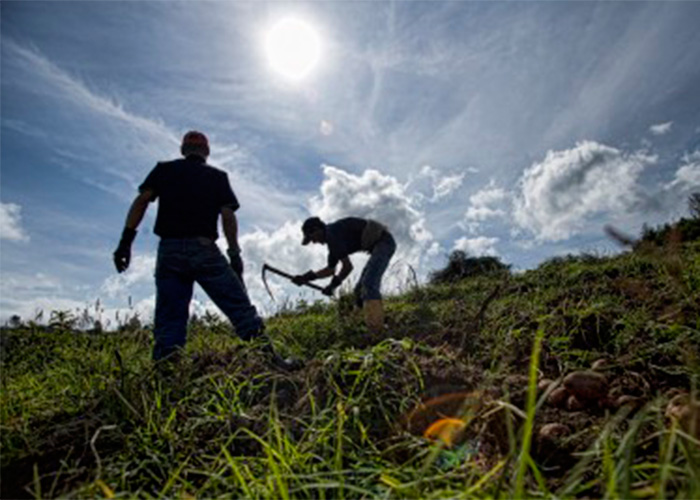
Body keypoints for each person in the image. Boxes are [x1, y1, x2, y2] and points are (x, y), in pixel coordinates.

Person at [113, 130, 296, 368]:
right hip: (204, 250)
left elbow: (141, 201)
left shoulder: (164, 170)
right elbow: (227, 215)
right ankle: (272, 363)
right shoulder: (217, 177)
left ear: (183, 150)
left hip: (169, 251)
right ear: (206, 152)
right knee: (239, 307)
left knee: (169, 319)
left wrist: (125, 242)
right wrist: (234, 254)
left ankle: (166, 375)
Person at [293, 216, 396, 333]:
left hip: (384, 242)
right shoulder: (332, 245)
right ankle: (367, 321)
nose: (314, 242)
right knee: (359, 291)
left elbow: (347, 267)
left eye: (312, 238)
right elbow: (330, 270)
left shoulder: (333, 234)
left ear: (317, 229)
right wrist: (306, 278)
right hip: (377, 247)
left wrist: (332, 286)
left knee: (368, 283)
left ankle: (377, 329)